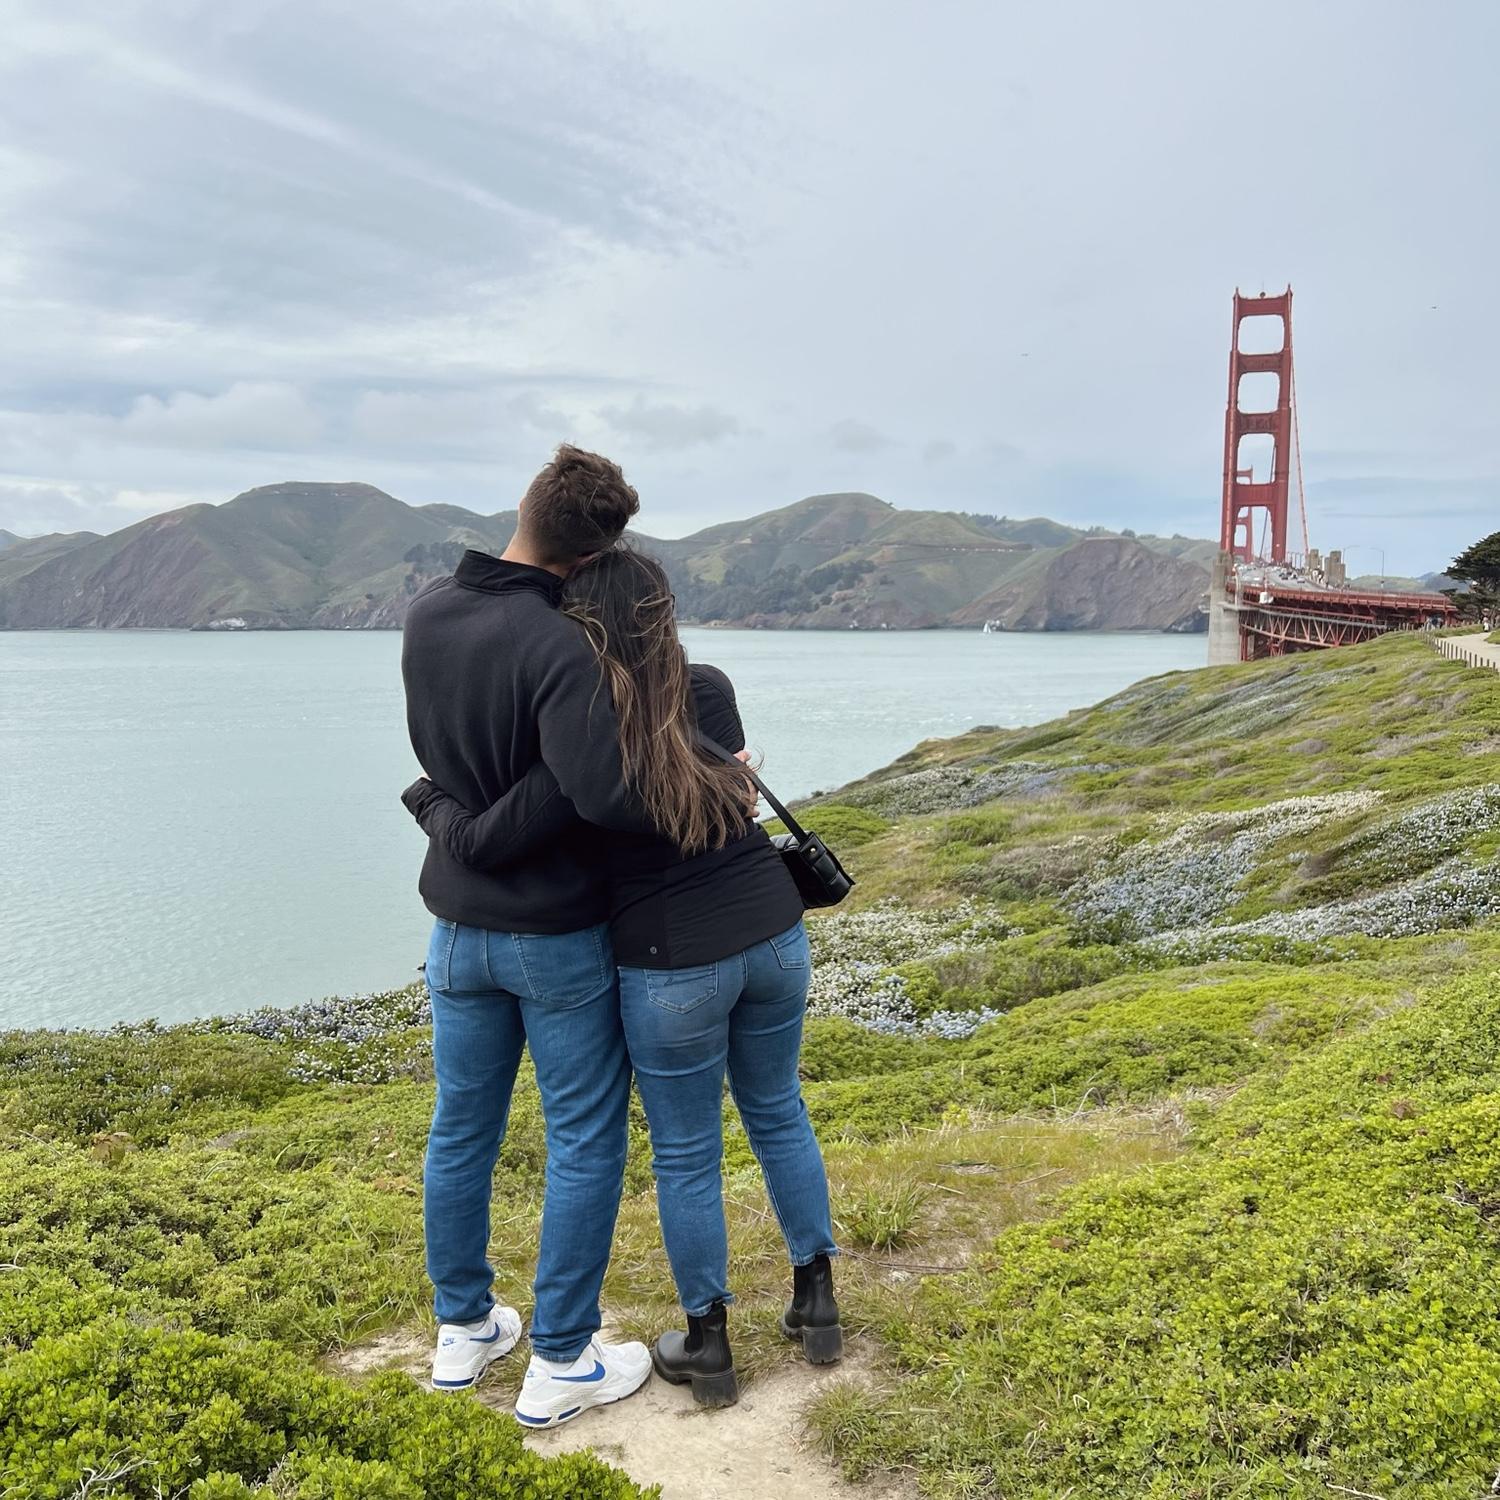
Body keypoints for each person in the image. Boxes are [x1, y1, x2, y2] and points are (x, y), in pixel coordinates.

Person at [404, 546, 842, 1410]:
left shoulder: (588, 721)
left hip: (671, 960)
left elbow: (523, 828)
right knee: (780, 1111)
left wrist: (429, 799)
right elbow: (722, 790)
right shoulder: (708, 685)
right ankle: (816, 1303)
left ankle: (708, 1346)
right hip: (774, 932)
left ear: (582, 622)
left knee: (682, 1153)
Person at [401, 445, 658, 1428]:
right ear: (595, 555)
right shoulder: (562, 642)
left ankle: (464, 1330)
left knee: (461, 1126)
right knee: (583, 1134)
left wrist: (453, 823)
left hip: (456, 930)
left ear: (526, 508)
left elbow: (440, 751)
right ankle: (561, 1357)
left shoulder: (427, 611)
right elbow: (595, 794)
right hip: (554, 932)